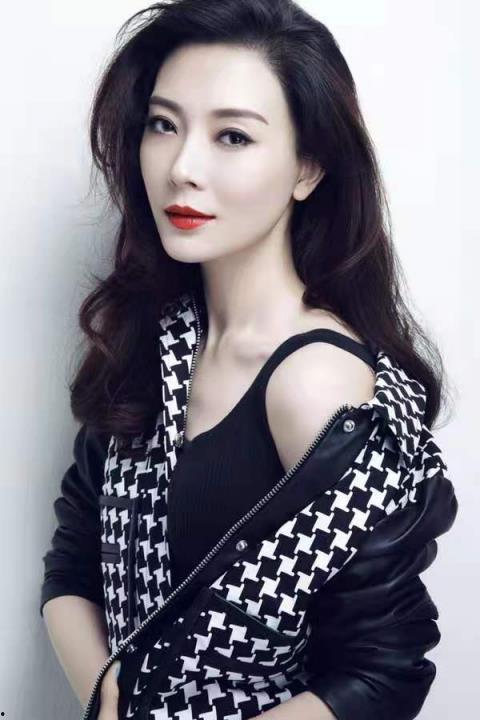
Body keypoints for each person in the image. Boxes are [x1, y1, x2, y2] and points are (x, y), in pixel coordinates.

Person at [39, 1, 458, 719]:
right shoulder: (157, 342)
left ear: (308, 168)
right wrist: (112, 703)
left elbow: (382, 672)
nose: (182, 168)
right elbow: (74, 563)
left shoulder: (316, 384)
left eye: (232, 136)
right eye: (163, 125)